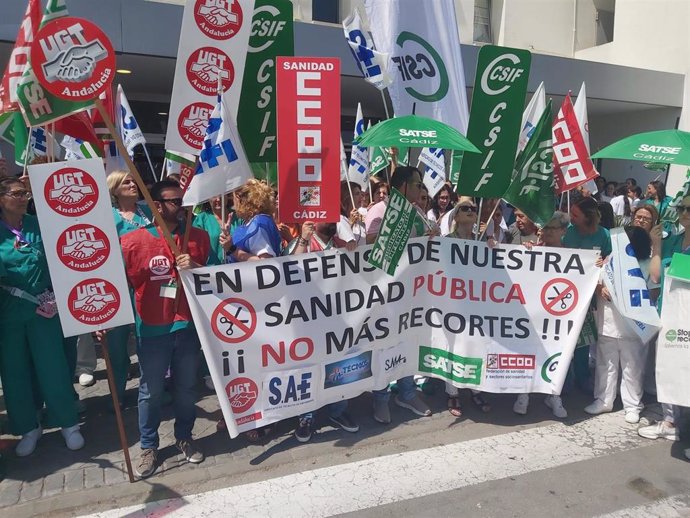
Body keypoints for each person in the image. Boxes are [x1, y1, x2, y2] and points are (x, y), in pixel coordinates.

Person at [120, 180, 213, 478]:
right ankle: (149, 446)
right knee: (150, 391)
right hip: (152, 329)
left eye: (183, 201)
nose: (181, 207)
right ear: (157, 206)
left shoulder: (198, 237)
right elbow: (120, 284)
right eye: (174, 202)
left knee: (187, 388)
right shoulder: (133, 241)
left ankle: (184, 436)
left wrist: (196, 266)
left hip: (186, 326)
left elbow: (216, 279)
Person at [0, 177, 84, 456]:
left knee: (53, 367)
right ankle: (27, 428)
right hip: (8, 314)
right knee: (15, 373)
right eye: (17, 193)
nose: (24, 197)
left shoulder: (40, 226)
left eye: (25, 193)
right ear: (2, 198)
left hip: (44, 308)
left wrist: (56, 295)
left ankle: (68, 423)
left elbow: (63, 259)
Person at [365, 166, 431, 423]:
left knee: (408, 341)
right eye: (415, 184)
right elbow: (370, 244)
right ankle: (380, 398)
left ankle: (407, 392)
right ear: (401, 186)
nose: (419, 189)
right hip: (383, 295)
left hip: (411, 293)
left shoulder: (418, 213)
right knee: (384, 346)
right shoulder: (379, 211)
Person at [76, 171, 152, 395]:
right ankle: (117, 393)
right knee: (116, 348)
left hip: (147, 288)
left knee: (148, 342)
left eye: (133, 180)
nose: (132, 184)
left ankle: (151, 392)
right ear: (114, 189)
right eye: (126, 182)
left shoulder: (149, 212)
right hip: (116, 289)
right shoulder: (105, 217)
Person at [286, 221, 360, 442]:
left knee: (339, 365)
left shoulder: (341, 244)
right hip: (307, 321)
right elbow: (289, 267)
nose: (332, 222)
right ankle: (306, 416)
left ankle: (338, 410)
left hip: (336, 320)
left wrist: (354, 249)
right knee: (309, 369)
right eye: (326, 218)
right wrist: (303, 239)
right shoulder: (303, 242)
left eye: (334, 218)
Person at [220, 179, 282, 440]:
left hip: (257, 305)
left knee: (255, 363)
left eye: (236, 197)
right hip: (245, 302)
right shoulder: (249, 224)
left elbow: (265, 263)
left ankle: (257, 418)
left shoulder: (259, 223)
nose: (233, 202)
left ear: (247, 199)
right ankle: (249, 415)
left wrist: (233, 249)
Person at [584, 226, 655, 423]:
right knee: (605, 364)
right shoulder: (609, 260)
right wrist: (601, 289)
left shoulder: (647, 264)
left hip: (634, 326)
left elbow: (654, 291)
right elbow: (596, 281)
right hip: (608, 322)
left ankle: (632, 405)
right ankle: (603, 400)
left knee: (633, 367)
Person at [638, 194, 690, 449]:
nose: (686, 212)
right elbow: (656, 277)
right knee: (669, 365)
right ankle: (670, 421)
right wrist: (656, 245)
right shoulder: (674, 240)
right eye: (683, 207)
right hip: (669, 315)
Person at [512, 212, 570, 418]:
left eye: (553, 228)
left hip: (558, 316)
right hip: (532, 314)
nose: (547, 232)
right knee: (529, 351)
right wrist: (527, 253)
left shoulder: (575, 256)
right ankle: (523, 393)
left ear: (563, 231)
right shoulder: (533, 250)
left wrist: (595, 264)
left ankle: (553, 395)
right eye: (545, 228)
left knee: (557, 354)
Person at [444, 197, 494, 416]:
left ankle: (475, 389)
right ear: (455, 216)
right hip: (451, 303)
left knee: (476, 345)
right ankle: (453, 393)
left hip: (476, 304)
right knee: (451, 346)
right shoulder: (445, 241)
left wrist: (492, 245)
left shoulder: (481, 240)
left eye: (473, 208)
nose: (470, 211)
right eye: (464, 208)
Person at [564, 197, 613, 392]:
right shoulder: (568, 232)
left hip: (589, 296)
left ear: (588, 217)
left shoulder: (604, 235)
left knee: (583, 340)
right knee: (565, 338)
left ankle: (583, 377)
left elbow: (611, 258)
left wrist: (606, 262)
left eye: (575, 214)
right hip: (566, 293)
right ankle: (565, 379)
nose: (571, 217)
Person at [337, 181, 365, 249]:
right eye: (357, 194)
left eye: (361, 193)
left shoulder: (361, 216)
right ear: (346, 197)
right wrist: (350, 223)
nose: (361, 197)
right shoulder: (339, 219)